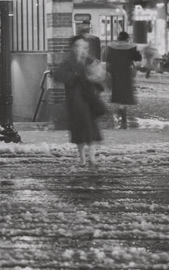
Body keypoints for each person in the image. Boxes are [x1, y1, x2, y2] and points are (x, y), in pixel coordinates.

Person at [52, 35, 106, 168]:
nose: (80, 49)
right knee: (79, 130)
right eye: (77, 46)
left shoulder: (90, 62)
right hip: (75, 101)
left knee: (90, 130)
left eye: (83, 46)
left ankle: (91, 157)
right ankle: (82, 157)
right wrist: (74, 77)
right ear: (73, 48)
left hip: (89, 101)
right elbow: (58, 74)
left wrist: (96, 79)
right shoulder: (69, 63)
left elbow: (99, 79)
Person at [103, 31, 142, 129]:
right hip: (126, 73)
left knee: (118, 95)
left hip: (115, 73)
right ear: (127, 38)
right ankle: (122, 117)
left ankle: (121, 115)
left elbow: (107, 58)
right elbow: (138, 57)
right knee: (125, 96)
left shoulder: (112, 46)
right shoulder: (131, 47)